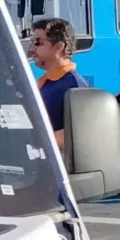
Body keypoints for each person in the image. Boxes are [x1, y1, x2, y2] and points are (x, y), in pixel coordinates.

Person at [30, 17, 84, 156]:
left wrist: (34, 141)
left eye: (37, 42)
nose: (31, 49)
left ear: (59, 46)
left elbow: (77, 133)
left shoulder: (75, 86)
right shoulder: (44, 81)